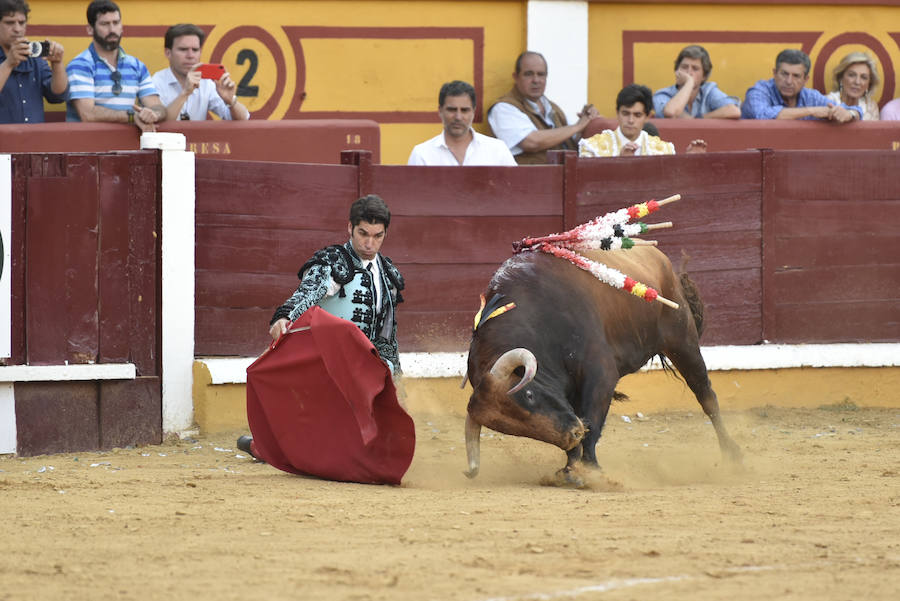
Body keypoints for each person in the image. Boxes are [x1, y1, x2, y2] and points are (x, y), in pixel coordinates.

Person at [238, 194, 406, 460]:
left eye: (377, 236)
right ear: (349, 227)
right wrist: (284, 316)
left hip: (368, 365)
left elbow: (387, 333)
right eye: (363, 233)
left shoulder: (389, 275)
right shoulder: (332, 263)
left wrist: (396, 378)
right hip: (328, 361)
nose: (369, 243)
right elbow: (308, 293)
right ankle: (268, 447)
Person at [65, 0, 166, 131]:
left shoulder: (137, 66)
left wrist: (153, 114)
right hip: (89, 147)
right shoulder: (80, 65)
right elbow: (87, 114)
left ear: (122, 26)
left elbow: (157, 106)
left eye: (116, 23)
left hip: (129, 146)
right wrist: (131, 116)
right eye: (105, 24)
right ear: (90, 29)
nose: (112, 29)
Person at [487, 51, 599, 164]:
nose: (536, 80)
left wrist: (589, 119)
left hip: (565, 177)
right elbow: (531, 142)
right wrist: (578, 126)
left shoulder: (553, 108)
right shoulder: (503, 108)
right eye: (528, 74)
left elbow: (573, 137)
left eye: (541, 74)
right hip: (528, 179)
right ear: (516, 77)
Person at [152, 23, 249, 121]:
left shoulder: (206, 82)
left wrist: (231, 101)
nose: (190, 55)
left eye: (195, 50)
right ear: (168, 53)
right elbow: (160, 124)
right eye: (183, 49)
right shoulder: (156, 82)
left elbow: (243, 119)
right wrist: (185, 93)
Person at [579, 84, 706, 157]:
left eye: (637, 115)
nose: (630, 120)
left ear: (647, 117)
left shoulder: (663, 150)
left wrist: (690, 160)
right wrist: (618, 165)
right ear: (617, 113)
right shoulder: (592, 147)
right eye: (625, 113)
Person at [407, 80, 515, 166]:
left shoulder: (497, 150)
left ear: (473, 111)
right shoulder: (422, 154)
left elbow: (515, 190)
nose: (458, 117)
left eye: (464, 110)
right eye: (452, 110)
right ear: (440, 111)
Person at [741, 49, 861, 122]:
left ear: (805, 79)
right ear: (775, 73)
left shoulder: (810, 96)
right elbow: (762, 115)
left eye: (796, 76)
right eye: (784, 74)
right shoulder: (760, 91)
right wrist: (811, 111)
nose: (788, 81)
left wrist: (849, 114)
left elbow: (856, 110)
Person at [0, 0, 67, 123]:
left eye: (21, 23)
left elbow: (57, 96)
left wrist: (57, 64)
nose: (17, 29)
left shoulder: (35, 58)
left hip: (33, 139)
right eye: (9, 23)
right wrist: (8, 64)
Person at [653, 45, 740, 119]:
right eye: (684, 67)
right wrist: (689, 83)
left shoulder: (708, 91)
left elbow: (733, 111)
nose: (689, 72)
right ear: (677, 71)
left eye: (695, 68)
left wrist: (698, 119)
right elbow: (671, 112)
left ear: (704, 76)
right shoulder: (663, 94)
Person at [825, 52, 880, 121]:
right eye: (851, 75)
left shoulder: (870, 107)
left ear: (869, 84)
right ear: (841, 78)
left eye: (863, 77)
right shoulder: (828, 101)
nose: (857, 82)